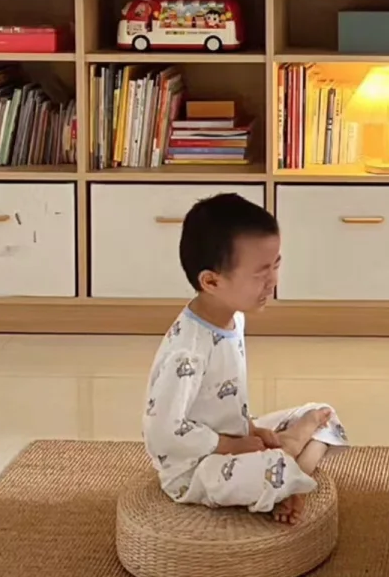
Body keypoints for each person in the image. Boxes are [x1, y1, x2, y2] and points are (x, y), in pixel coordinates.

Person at [143, 193, 348, 525]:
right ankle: (292, 464)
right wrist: (232, 446)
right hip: (197, 468)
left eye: (276, 265)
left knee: (323, 413)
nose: (274, 281)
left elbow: (220, 401)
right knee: (272, 469)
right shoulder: (187, 352)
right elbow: (163, 433)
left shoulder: (234, 318)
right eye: (260, 273)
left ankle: (291, 459)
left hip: (235, 436)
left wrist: (250, 429)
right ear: (211, 281)